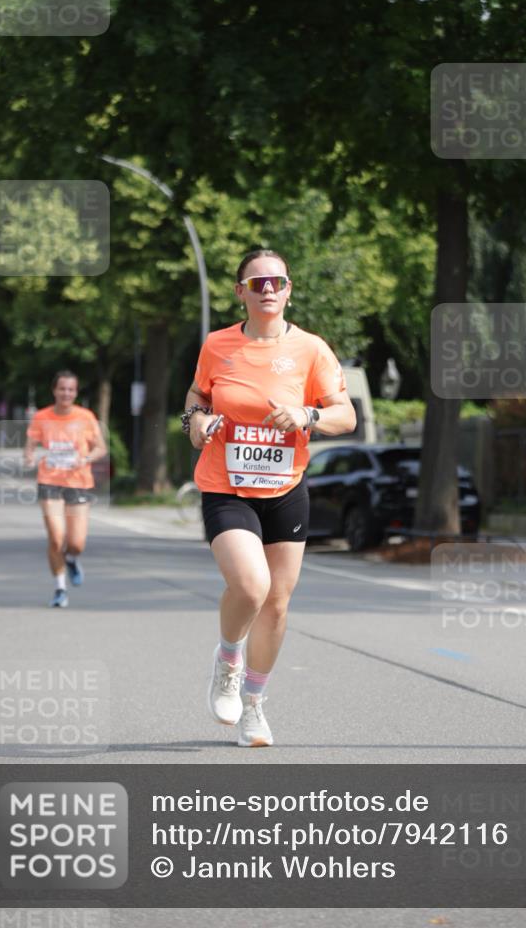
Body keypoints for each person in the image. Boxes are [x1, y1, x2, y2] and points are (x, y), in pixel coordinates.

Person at [182, 249, 356, 747]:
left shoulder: (311, 350)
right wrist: (194, 420)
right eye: (256, 284)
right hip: (226, 483)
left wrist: (308, 416)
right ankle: (228, 659)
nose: (267, 291)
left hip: (285, 487)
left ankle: (254, 707)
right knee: (252, 585)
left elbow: (344, 415)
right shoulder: (218, 345)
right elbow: (198, 395)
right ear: (240, 292)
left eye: (276, 282)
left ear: (288, 289)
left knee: (277, 605)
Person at [24, 371, 107, 608]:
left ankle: (71, 559)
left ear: (75, 392)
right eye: (62, 389)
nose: (66, 393)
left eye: (71, 389)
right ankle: (60, 588)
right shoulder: (41, 416)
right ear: (54, 390)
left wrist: (86, 458)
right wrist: (29, 457)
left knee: (76, 543)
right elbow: (29, 447)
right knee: (56, 537)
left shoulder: (86, 417)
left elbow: (100, 448)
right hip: (49, 480)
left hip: (79, 481)